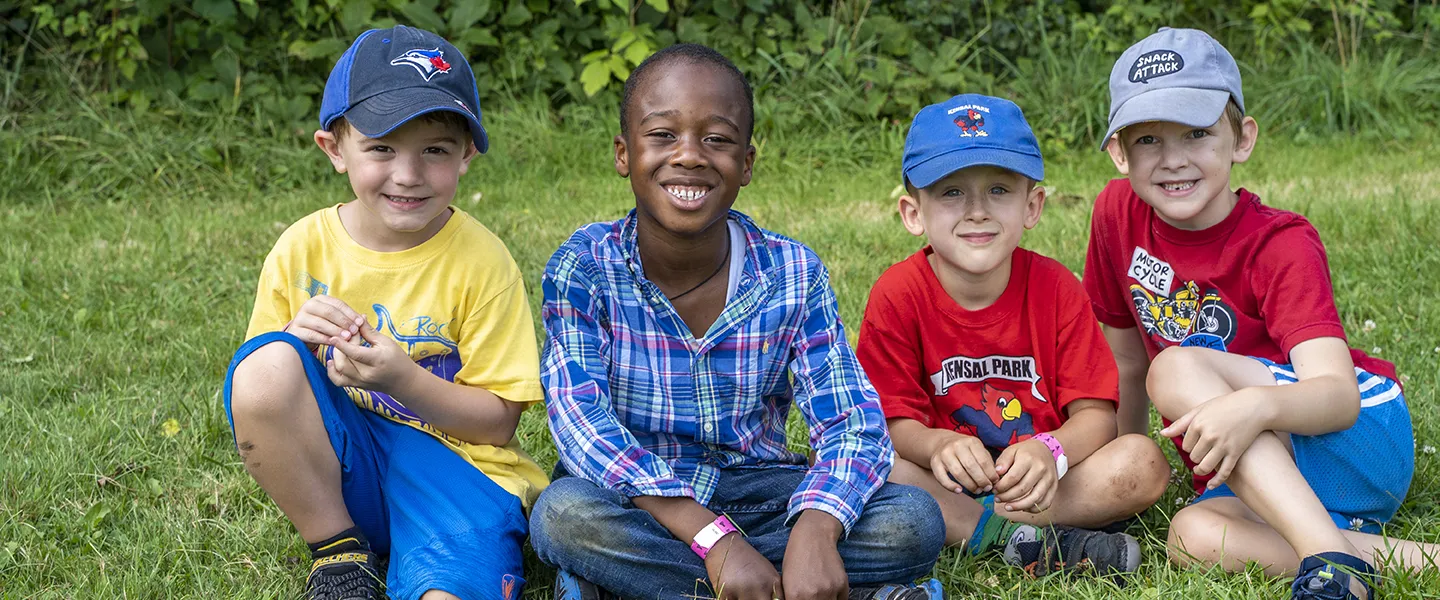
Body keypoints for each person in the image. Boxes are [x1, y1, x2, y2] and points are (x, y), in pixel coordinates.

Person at [528, 43, 946, 600]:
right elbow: (583, 427)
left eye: (717, 139)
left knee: (913, 519)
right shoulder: (585, 268)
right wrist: (716, 542)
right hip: (641, 500)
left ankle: (637, 586)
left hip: (762, 491)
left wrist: (816, 532)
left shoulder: (792, 272)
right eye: (663, 135)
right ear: (624, 154)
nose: (690, 156)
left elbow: (852, 423)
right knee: (565, 515)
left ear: (745, 164)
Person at [1084, 26, 1435, 600]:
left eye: (1197, 132)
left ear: (1241, 138)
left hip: (1350, 435)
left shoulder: (1280, 243)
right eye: (1148, 140)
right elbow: (1124, 361)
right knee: (1193, 536)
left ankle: (1334, 568)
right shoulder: (1115, 214)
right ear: (1119, 151)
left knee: (1173, 366)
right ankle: (1397, 557)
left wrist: (1254, 407)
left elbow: (1338, 396)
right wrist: (1119, 479)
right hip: (1261, 468)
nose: (1173, 160)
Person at [222, 25, 546, 600]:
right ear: (334, 149)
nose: (408, 174)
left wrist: (403, 378)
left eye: (435, 150)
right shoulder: (302, 249)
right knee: (266, 364)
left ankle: (443, 565)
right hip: (349, 479)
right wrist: (294, 348)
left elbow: (498, 422)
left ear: (466, 155)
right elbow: (261, 400)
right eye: (381, 148)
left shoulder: (483, 263)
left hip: (461, 475)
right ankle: (339, 552)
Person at [856, 94, 1169, 578]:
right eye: (951, 192)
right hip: (947, 483)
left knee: (1142, 461)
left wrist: (1053, 451)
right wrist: (936, 445)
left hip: (1047, 483)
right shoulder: (897, 295)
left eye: (999, 190)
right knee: (872, 468)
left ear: (1032, 205)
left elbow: (1096, 418)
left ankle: (999, 531)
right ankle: (1017, 539)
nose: (977, 211)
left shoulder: (1057, 288)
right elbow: (891, 424)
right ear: (913, 213)